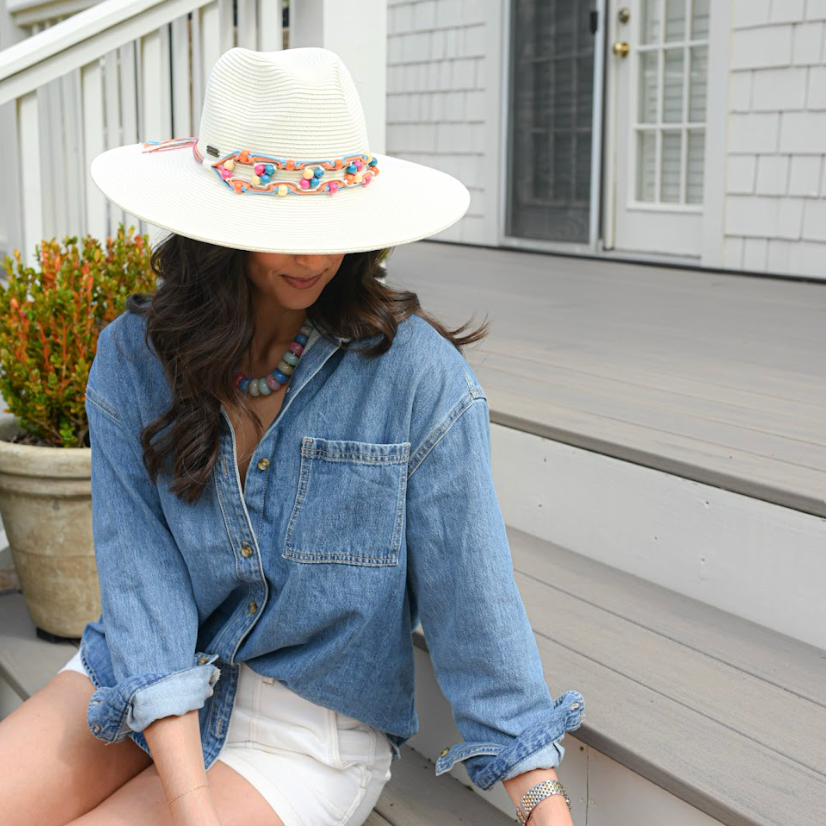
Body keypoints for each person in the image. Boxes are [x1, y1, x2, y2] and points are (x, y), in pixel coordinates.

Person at [0, 47, 584, 826]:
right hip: (138, 676)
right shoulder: (133, 359)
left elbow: (473, 602)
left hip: (309, 727)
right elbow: (144, 588)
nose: (311, 255)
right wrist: (190, 804)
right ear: (217, 229)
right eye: (279, 225)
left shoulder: (418, 379)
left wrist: (544, 804)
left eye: (330, 223)